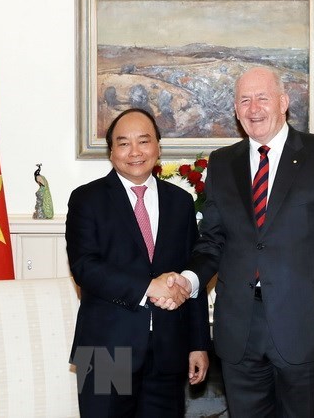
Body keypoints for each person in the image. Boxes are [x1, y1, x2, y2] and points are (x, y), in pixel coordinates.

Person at [177, 67, 314, 417]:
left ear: (283, 102)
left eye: (262, 98)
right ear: (235, 110)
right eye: (244, 100)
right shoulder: (222, 163)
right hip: (239, 330)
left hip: (306, 327)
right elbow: (213, 240)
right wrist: (189, 280)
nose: (254, 109)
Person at [65, 108, 210, 417]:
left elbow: (192, 272)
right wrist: (148, 286)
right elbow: (85, 267)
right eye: (123, 143)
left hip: (168, 351)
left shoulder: (180, 202)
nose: (135, 152)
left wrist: (198, 344)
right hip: (105, 350)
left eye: (143, 141)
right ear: (111, 152)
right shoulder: (86, 199)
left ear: (158, 147)